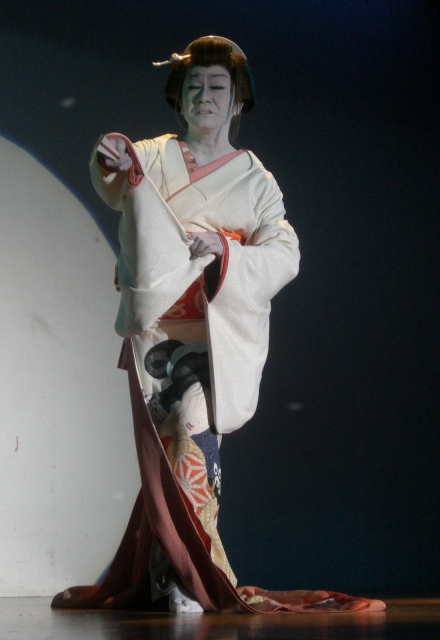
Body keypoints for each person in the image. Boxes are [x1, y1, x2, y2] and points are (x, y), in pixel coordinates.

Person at [51, 36, 385, 614]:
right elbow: (118, 179)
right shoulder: (155, 154)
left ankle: (193, 577)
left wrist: (226, 252)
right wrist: (113, 158)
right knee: (163, 456)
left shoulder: (257, 182)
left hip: (214, 333)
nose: (204, 96)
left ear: (238, 100)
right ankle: (167, 579)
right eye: (194, 85)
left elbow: (285, 255)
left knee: (191, 432)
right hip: (157, 332)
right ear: (178, 95)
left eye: (217, 86)